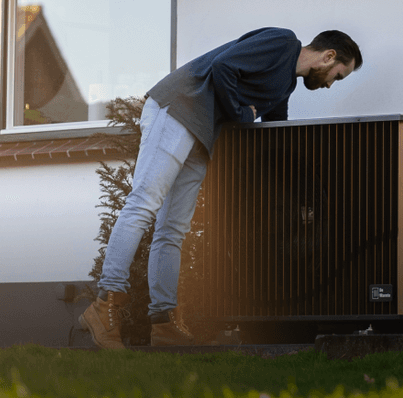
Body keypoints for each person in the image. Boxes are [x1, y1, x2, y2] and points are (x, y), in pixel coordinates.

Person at [80, 27, 362, 349]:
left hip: (204, 133)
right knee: (144, 203)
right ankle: (105, 306)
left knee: (173, 228)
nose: (329, 84)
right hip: (180, 108)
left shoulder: (284, 87)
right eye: (337, 76)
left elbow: (273, 134)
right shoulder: (283, 42)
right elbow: (223, 67)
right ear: (328, 57)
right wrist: (243, 114)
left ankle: (162, 322)